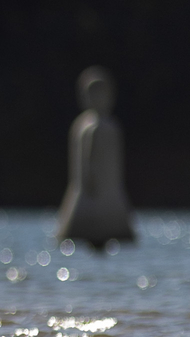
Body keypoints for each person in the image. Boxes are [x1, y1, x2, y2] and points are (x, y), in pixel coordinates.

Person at [55, 64, 136, 248]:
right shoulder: (88, 128)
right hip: (90, 193)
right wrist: (90, 179)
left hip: (104, 194)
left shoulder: (103, 127)